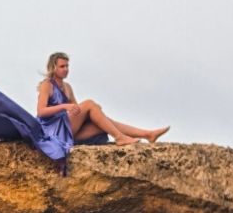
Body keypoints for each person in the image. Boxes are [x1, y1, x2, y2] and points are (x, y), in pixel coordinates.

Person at [37, 52, 169, 149]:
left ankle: (147, 134)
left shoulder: (67, 87)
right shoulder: (47, 85)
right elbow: (41, 112)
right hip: (53, 131)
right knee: (89, 103)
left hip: (69, 130)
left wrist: (94, 111)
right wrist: (65, 106)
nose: (66, 69)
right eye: (62, 66)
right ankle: (120, 137)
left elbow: (77, 111)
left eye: (67, 66)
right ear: (53, 67)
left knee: (103, 122)